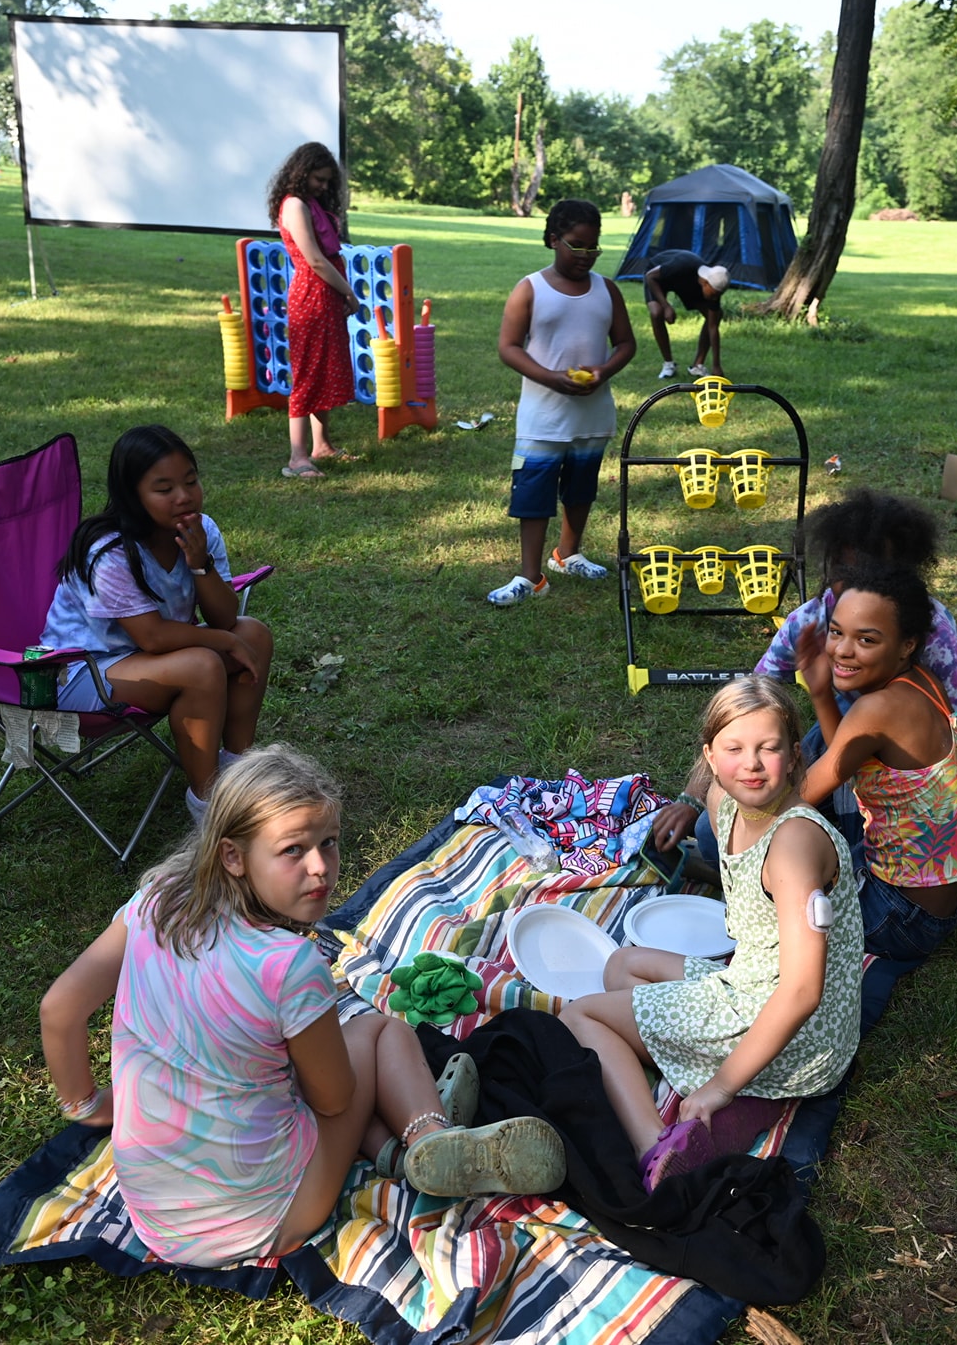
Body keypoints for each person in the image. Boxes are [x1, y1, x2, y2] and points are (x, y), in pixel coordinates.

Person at [38, 747, 567, 1264]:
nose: (321, 867)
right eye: (293, 850)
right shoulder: (289, 963)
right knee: (381, 1033)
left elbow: (59, 1010)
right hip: (272, 1214)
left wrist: (87, 1106)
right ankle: (431, 1136)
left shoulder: (156, 899)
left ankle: (395, 1151)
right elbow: (334, 1100)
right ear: (232, 856)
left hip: (160, 1219)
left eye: (329, 843)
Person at [559, 678, 862, 1190]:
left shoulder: (792, 844)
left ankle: (657, 1144)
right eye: (734, 749)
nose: (752, 764)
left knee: (581, 1014)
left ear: (793, 755)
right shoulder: (722, 802)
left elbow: (803, 990)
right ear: (710, 757)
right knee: (621, 966)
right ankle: (714, 1065)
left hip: (796, 1033)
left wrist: (720, 1086)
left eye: (769, 748)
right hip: (755, 983)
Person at [650, 489, 957, 895]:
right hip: (839, 742)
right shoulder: (813, 619)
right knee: (713, 830)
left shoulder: (936, 640)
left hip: (901, 778)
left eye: (872, 575)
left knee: (817, 857)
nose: (852, 594)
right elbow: (744, 714)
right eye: (843, 574)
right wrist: (695, 799)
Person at [40, 425, 275, 823]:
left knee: (252, 633)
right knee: (203, 665)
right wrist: (221, 641)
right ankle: (210, 808)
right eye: (164, 489)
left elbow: (224, 618)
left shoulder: (202, 531)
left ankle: (238, 773)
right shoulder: (109, 552)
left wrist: (201, 564)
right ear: (133, 496)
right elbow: (151, 636)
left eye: (191, 481)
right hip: (79, 670)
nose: (184, 496)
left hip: (150, 659)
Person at [795, 560, 957, 1024]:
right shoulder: (924, 684)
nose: (841, 651)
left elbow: (799, 796)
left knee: (781, 851)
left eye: (866, 639)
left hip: (899, 916)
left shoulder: (877, 709)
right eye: (836, 632)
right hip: (941, 898)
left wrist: (726, 806)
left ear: (906, 645)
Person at [487, 198, 636, 607]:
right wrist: (551, 378)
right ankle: (530, 576)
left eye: (594, 247)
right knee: (533, 494)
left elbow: (625, 343)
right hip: (543, 416)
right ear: (553, 239)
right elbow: (508, 348)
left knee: (580, 487)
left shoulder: (607, 290)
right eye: (576, 245)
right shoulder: (530, 289)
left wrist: (603, 371)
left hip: (592, 412)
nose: (586, 256)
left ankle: (567, 554)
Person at [268, 142, 356, 479]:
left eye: (326, 181)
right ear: (301, 173)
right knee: (308, 374)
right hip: (313, 296)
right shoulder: (294, 206)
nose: (322, 186)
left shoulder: (310, 203)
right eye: (318, 179)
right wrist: (348, 292)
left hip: (325, 295)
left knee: (323, 371)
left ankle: (322, 444)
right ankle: (297, 458)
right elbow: (315, 260)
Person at [640, 249, 729, 381]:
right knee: (656, 312)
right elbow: (650, 276)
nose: (715, 298)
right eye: (714, 294)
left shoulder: (715, 285)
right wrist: (666, 306)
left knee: (716, 315)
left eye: (719, 295)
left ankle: (697, 366)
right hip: (657, 279)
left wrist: (716, 365)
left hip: (685, 285)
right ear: (705, 283)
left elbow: (713, 327)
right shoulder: (682, 266)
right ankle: (668, 365)